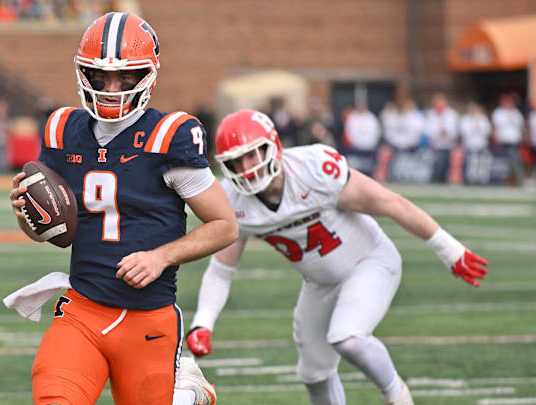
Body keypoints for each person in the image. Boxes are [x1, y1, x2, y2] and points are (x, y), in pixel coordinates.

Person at [6, 12, 237, 405]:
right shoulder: (63, 129)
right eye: (100, 76)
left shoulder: (170, 135)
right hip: (82, 310)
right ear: (83, 73)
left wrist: (161, 256)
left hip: (148, 319)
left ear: (146, 76)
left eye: (125, 77)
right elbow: (59, 236)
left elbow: (225, 225)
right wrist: (31, 219)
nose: (111, 88)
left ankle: (188, 395)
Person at [185, 109, 489, 405]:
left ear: (273, 147)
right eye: (235, 162)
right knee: (314, 374)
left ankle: (397, 396)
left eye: (251, 155)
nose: (246, 168)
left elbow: (390, 203)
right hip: (319, 283)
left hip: (369, 262)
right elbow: (222, 269)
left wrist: (449, 250)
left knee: (349, 338)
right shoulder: (234, 201)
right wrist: (203, 324)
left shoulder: (313, 169)